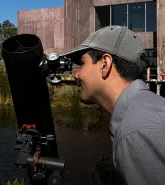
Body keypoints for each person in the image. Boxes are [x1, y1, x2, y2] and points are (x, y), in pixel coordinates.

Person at [63, 25, 165, 185]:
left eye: (82, 63)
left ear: (105, 64)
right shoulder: (147, 110)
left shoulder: (135, 132)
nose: (77, 74)